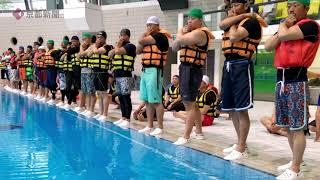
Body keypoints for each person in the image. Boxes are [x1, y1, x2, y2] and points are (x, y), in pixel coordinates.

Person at [264, 0, 320, 179]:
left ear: (306, 8)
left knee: (297, 128)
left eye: (296, 5)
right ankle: (298, 161)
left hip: (297, 80)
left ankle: (296, 169)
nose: (291, 9)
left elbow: (285, 36)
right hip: (281, 81)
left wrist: (283, 26)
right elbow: (268, 46)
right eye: (289, 5)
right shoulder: (286, 27)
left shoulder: (311, 26)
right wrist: (284, 26)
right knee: (288, 127)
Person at [219, 0, 267, 160]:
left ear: (246, 5)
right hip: (228, 65)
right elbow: (221, 24)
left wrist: (236, 20)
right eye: (232, 6)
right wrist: (237, 17)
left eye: (237, 5)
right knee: (231, 108)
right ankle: (241, 143)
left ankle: (241, 147)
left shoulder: (251, 22)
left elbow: (234, 36)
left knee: (241, 109)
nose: (233, 9)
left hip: (241, 65)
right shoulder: (239, 19)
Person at [172, 8, 214, 145]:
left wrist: (180, 32)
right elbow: (174, 47)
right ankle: (199, 132)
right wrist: (180, 36)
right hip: (184, 68)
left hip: (192, 69)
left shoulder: (201, 33)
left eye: (192, 18)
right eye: (188, 18)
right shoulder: (189, 33)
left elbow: (180, 39)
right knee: (191, 102)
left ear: (200, 21)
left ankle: (186, 136)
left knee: (188, 104)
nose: (189, 21)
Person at [136, 16, 171, 136]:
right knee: (147, 100)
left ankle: (160, 127)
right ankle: (149, 125)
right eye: (147, 25)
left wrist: (143, 35)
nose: (149, 27)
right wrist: (144, 36)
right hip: (145, 70)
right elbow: (138, 50)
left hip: (155, 71)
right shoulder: (148, 39)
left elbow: (140, 41)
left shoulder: (160, 37)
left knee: (156, 100)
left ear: (157, 26)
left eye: (151, 25)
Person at [110, 28, 136, 128]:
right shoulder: (119, 46)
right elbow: (110, 55)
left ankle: (128, 119)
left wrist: (117, 45)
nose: (120, 37)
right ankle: (123, 117)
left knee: (126, 97)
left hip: (126, 74)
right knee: (120, 97)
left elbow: (117, 52)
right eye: (120, 35)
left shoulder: (130, 46)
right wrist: (117, 45)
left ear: (127, 36)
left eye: (122, 35)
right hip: (118, 75)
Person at [88, 31, 113, 119]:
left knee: (104, 93)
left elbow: (97, 52)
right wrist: (94, 46)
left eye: (100, 38)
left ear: (105, 38)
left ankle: (105, 114)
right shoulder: (96, 47)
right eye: (97, 37)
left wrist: (94, 45)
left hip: (103, 72)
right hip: (95, 71)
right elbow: (88, 54)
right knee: (99, 93)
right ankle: (101, 112)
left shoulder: (107, 47)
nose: (98, 39)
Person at [76, 32, 94, 115]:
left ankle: (91, 109)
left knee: (90, 91)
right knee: (85, 91)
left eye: (85, 39)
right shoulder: (84, 47)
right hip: (83, 70)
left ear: (89, 39)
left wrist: (81, 47)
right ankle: (87, 107)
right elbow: (78, 57)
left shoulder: (92, 46)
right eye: (83, 39)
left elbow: (82, 54)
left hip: (90, 70)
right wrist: (81, 49)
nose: (83, 41)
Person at [40, 40, 57, 105]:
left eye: (49, 44)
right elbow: (45, 59)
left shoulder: (54, 51)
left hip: (52, 68)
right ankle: (48, 96)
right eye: (47, 44)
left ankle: (53, 97)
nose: (47, 45)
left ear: (52, 44)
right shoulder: (47, 51)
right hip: (47, 68)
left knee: (52, 83)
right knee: (47, 83)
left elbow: (55, 59)